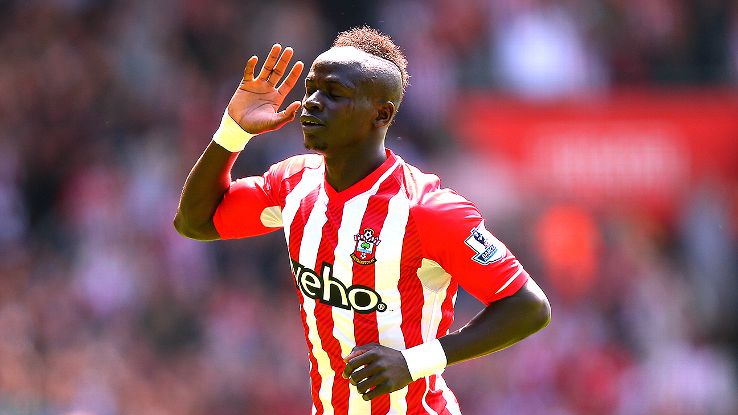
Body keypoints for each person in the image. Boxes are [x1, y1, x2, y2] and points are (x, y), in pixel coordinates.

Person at [174, 27, 551, 414]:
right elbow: (196, 222)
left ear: (381, 114)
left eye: (334, 94)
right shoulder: (293, 183)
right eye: (311, 89)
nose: (312, 103)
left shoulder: (426, 210)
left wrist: (412, 363)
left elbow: (529, 307)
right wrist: (233, 131)